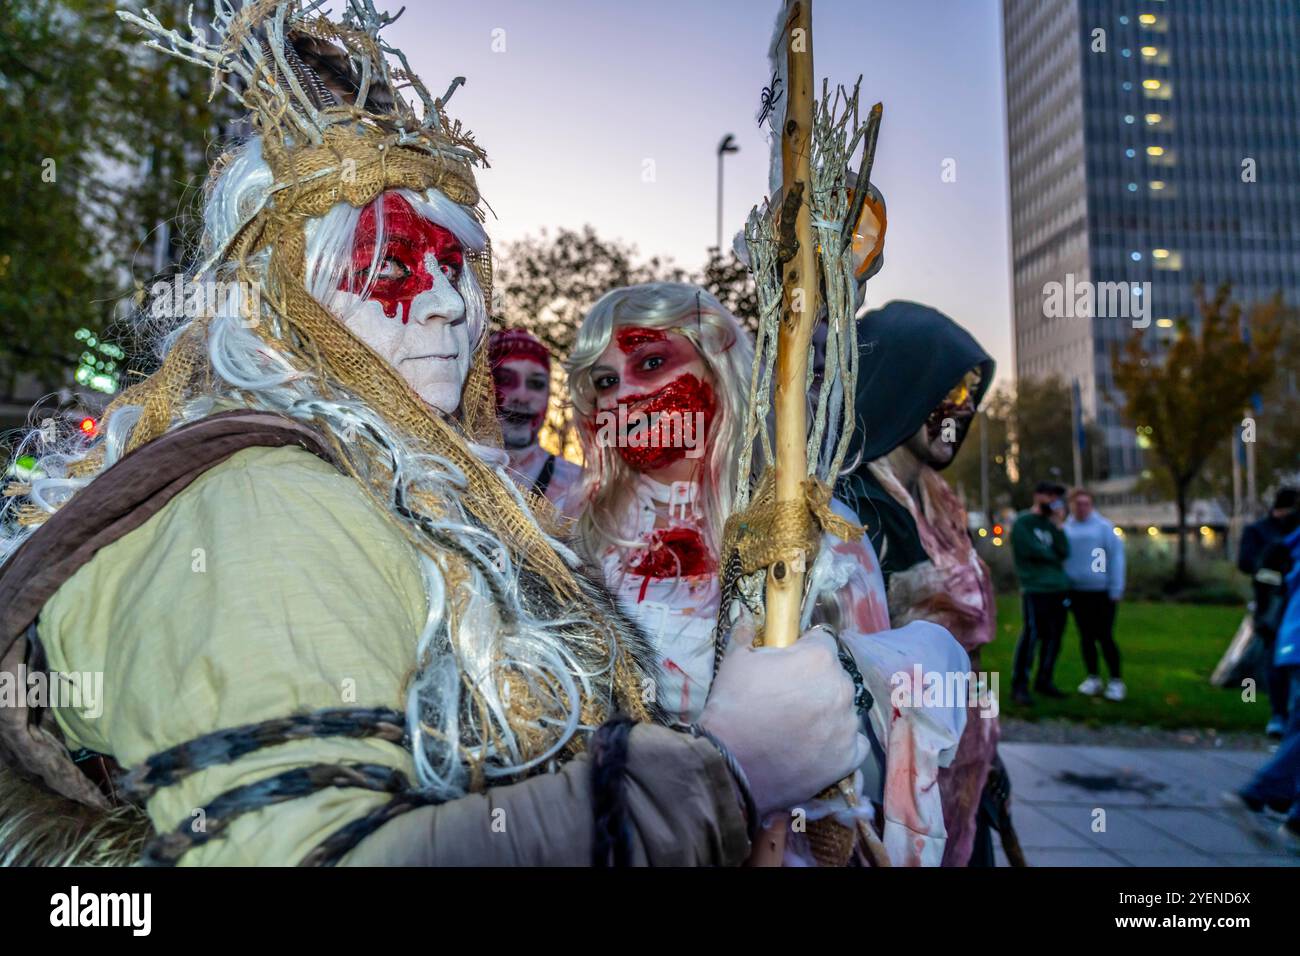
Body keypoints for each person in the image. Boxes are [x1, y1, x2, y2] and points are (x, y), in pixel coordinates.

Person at [0, 2, 866, 867]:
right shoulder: (265, 506)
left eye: (457, 267)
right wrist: (729, 772)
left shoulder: (385, 490)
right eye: (400, 265)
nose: (453, 304)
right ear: (288, 290)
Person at [566, 282, 970, 866]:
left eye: (651, 362)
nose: (623, 391)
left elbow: (867, 762)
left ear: (720, 368)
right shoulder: (576, 544)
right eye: (604, 381)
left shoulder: (819, 541)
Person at [835, 300, 1008, 867]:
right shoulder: (858, 508)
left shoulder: (942, 504)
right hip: (897, 767)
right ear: (904, 384)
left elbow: (969, 653)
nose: (961, 409)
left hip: (966, 757)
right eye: (946, 391)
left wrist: (990, 753)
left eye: (968, 395)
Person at [1227, 522, 1300, 850]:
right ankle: (1259, 793)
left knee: (1297, 729)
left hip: (1292, 638)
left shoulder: (1291, 539)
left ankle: (1296, 819)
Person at [487, 328, 582, 511]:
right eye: (505, 380)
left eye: (536, 383)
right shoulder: (445, 466)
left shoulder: (579, 489)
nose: (521, 396)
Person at [1238, 488, 1299, 737]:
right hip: (1273, 604)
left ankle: (1284, 715)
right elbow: (1249, 564)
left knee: (1280, 658)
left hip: (1282, 602)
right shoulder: (1263, 533)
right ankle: (1279, 713)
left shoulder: (1279, 534)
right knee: (1275, 658)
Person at [1010, 481, 1071, 706]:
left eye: (1056, 496)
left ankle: (1045, 680)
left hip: (1058, 587)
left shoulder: (1052, 525)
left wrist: (1058, 525)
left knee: (1054, 637)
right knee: (1031, 635)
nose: (1052, 500)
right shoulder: (1024, 523)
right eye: (1049, 495)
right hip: (1035, 588)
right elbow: (1031, 552)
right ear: (1038, 496)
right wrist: (1050, 554)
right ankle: (1020, 685)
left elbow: (1064, 551)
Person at [1063, 488, 1126, 701]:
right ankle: (1093, 677)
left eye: (1085, 504)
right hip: (1077, 591)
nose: (1081, 508)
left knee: (1105, 636)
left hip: (1102, 591)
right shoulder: (1066, 529)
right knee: (1086, 637)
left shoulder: (1104, 528)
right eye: (1077, 504)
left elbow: (1116, 558)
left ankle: (1116, 681)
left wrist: (1116, 587)